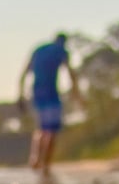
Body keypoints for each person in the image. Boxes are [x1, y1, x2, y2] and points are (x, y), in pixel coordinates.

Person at [18, 33, 84, 175]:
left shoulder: (38, 50)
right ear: (63, 42)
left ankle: (35, 159)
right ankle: (45, 165)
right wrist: (76, 94)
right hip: (51, 93)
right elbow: (70, 72)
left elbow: (24, 73)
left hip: (36, 92)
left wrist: (20, 95)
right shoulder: (60, 51)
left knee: (41, 127)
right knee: (51, 130)